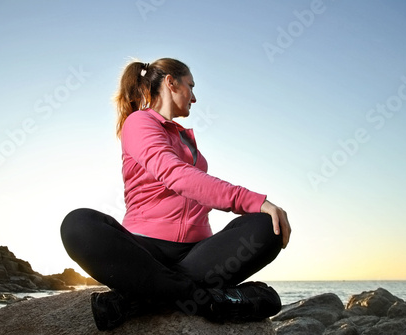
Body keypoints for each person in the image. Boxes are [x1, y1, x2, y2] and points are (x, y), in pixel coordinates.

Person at [60, 58, 291, 331]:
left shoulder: (184, 138)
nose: (194, 97)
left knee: (268, 225)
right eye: (190, 86)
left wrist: (260, 209)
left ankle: (138, 300)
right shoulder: (139, 122)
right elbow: (175, 175)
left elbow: (194, 184)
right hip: (143, 253)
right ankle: (206, 299)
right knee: (78, 225)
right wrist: (253, 199)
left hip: (198, 256)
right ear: (171, 82)